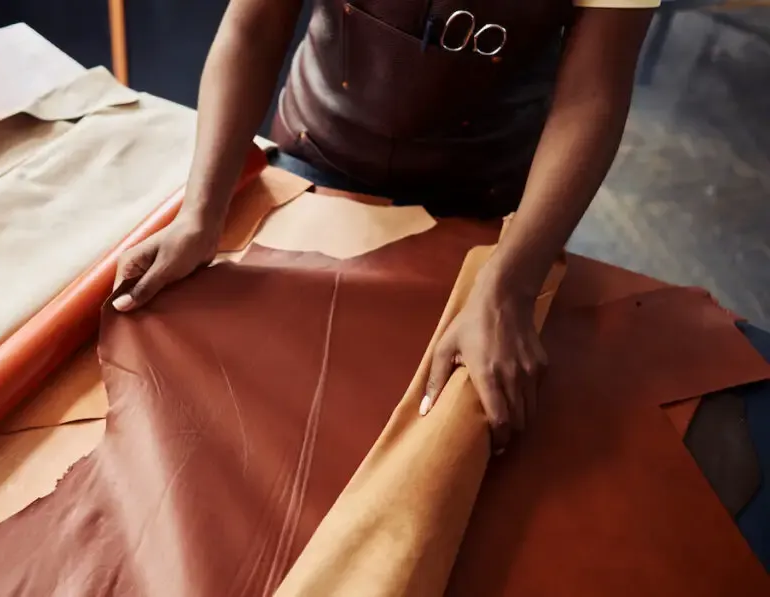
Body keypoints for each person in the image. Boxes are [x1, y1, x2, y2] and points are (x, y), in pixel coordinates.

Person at [112, 0, 658, 451]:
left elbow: (592, 94)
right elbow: (254, 27)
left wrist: (508, 286)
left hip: (484, 194)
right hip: (314, 156)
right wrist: (201, 215)